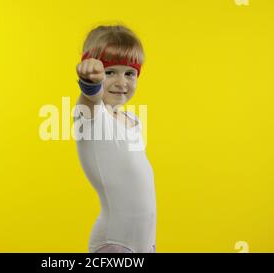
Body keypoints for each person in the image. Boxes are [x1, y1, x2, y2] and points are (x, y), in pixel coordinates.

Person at [74, 25, 156, 253]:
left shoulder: (131, 120)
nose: (122, 82)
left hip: (144, 241)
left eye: (129, 73)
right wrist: (90, 83)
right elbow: (90, 100)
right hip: (116, 242)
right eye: (110, 72)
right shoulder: (93, 117)